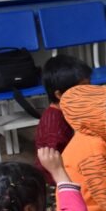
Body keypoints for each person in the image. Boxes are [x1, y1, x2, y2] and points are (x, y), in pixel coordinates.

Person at [34, 55, 91, 184]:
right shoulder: (54, 124)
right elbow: (52, 164)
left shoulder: (69, 111)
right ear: (59, 95)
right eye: (82, 88)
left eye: (89, 86)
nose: (88, 92)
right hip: (55, 182)